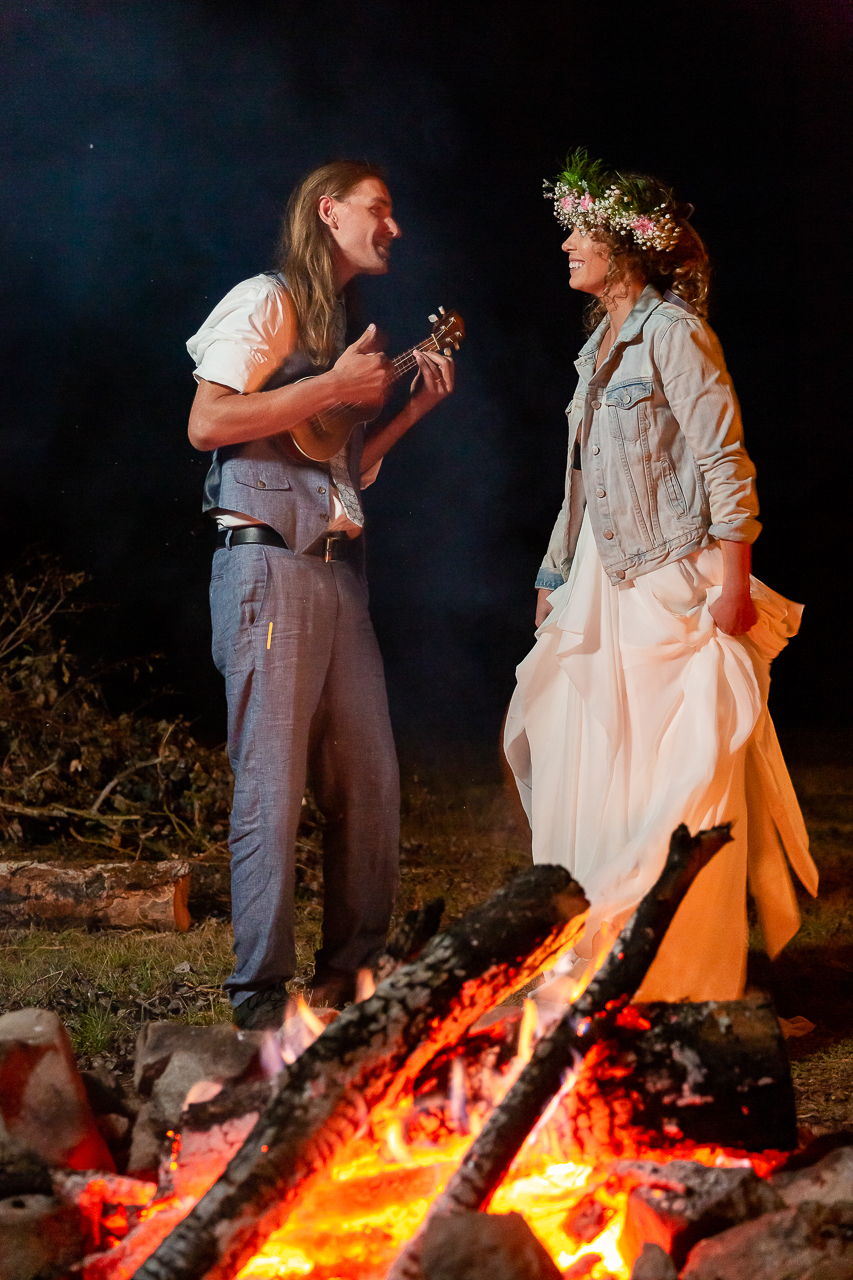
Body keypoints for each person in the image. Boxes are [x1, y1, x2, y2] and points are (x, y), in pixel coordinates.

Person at [504, 150, 817, 1004]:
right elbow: (579, 475)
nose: (565, 244)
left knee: (669, 773)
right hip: (600, 582)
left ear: (623, 247)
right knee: (581, 756)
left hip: (666, 575)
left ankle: (678, 976)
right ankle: (591, 961)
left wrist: (731, 578)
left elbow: (724, 461)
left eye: (579, 232)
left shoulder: (674, 333)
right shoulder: (598, 344)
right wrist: (554, 569)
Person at [186, 160, 454, 1029]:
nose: (394, 227)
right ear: (329, 212)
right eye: (380, 209)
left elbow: (338, 462)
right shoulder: (266, 301)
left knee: (369, 780)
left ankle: (351, 981)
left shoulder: (338, 323)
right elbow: (208, 423)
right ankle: (261, 997)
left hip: (339, 573)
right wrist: (332, 385)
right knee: (271, 782)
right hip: (267, 567)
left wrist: (403, 415)